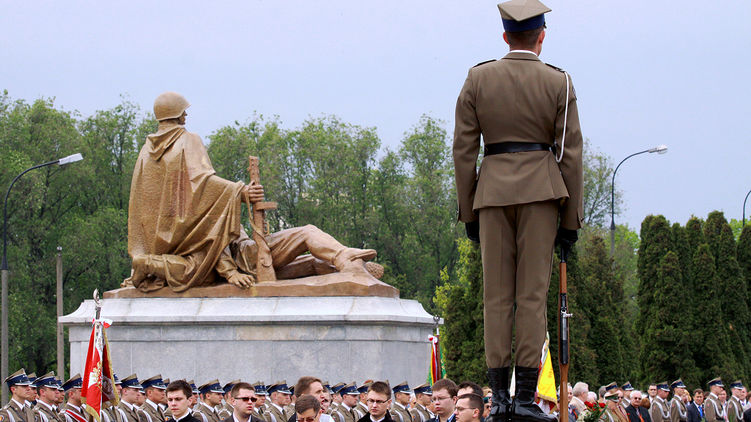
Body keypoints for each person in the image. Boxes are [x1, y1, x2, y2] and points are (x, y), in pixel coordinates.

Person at [452, 0, 583, 420]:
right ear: (541, 36)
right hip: (541, 194)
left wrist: (469, 211)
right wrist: (571, 220)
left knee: (496, 298)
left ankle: (500, 398)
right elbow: (570, 154)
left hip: (491, 194)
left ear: (505, 36)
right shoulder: (559, 82)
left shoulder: (478, 78)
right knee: (531, 297)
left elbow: (463, 151)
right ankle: (525, 398)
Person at [125, 92, 380, 293]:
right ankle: (345, 257)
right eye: (184, 112)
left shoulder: (146, 154)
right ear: (180, 115)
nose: (186, 116)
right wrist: (241, 192)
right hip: (240, 256)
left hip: (184, 252)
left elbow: (149, 207)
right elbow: (202, 183)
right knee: (307, 232)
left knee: (312, 265)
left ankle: (351, 268)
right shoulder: (187, 141)